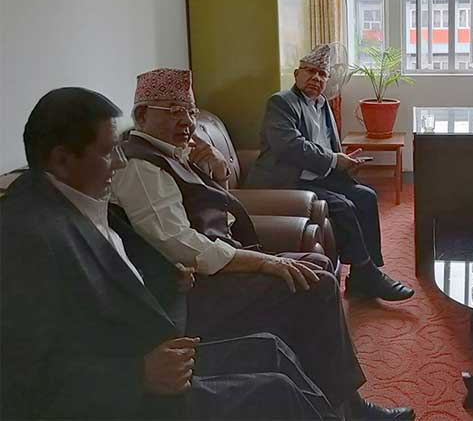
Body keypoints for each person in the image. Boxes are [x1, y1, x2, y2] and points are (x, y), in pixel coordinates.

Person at [1, 87, 338, 420]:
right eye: (108, 152)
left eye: (189, 111)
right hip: (133, 390)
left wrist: (164, 274)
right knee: (275, 390)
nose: (119, 161)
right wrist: (138, 376)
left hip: (159, 341)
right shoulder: (26, 237)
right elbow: (17, 377)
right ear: (61, 159)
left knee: (271, 349)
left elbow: (110, 270)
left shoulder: (79, 196)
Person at [111, 69, 415, 420]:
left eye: (190, 111)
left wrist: (218, 171)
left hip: (221, 264)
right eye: (173, 111)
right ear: (142, 115)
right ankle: (352, 409)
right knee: (316, 284)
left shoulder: (174, 152)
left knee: (315, 265)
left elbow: (213, 210)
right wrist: (263, 262)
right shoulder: (141, 167)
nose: (187, 121)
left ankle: (333, 401)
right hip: (194, 290)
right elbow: (181, 245)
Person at [246, 45, 415, 302]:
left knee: (366, 196)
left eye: (322, 74)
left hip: (319, 176)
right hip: (288, 181)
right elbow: (291, 147)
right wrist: (336, 161)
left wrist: (347, 162)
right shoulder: (281, 103)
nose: (316, 78)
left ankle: (364, 273)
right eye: (310, 71)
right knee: (343, 206)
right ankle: (367, 275)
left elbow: (327, 146)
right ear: (296, 74)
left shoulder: (323, 104)